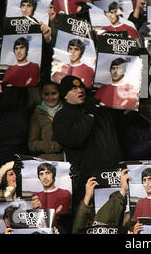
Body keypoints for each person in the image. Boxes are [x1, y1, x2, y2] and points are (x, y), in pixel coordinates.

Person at [52, 76, 122, 209]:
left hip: (112, 175)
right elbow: (75, 139)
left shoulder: (99, 111)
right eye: (73, 89)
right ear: (65, 95)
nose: (79, 91)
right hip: (87, 181)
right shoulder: (62, 116)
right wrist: (89, 116)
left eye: (81, 87)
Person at [28, 82, 64, 161]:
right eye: (46, 94)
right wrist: (53, 146)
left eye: (54, 93)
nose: (50, 98)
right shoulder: (37, 114)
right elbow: (32, 144)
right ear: (42, 95)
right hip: (47, 161)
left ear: (59, 93)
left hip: (67, 161)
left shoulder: (67, 112)